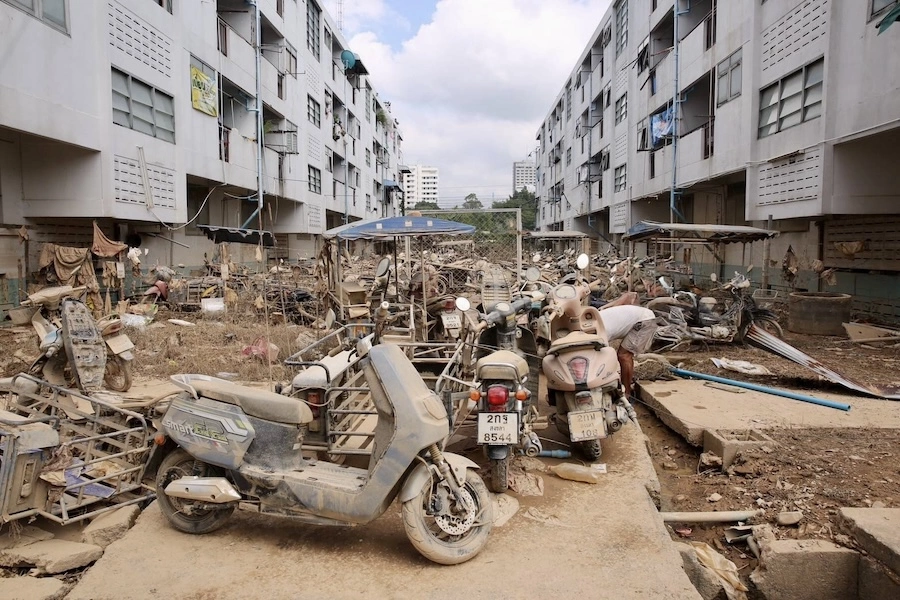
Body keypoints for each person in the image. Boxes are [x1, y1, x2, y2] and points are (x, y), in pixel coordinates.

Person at [598, 304, 658, 398]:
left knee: (624, 356)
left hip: (644, 321)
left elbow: (602, 356)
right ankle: (623, 386)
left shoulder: (599, 331)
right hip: (639, 317)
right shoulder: (591, 322)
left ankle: (626, 393)